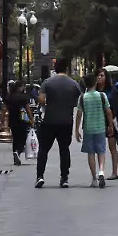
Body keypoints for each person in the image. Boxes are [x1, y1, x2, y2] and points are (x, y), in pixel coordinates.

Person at [35, 58, 82, 189]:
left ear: (55, 67)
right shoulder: (74, 84)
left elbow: (41, 100)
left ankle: (40, 176)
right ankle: (64, 178)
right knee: (64, 149)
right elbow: (79, 101)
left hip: (49, 120)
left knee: (44, 149)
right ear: (67, 68)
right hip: (66, 121)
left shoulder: (47, 82)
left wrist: (48, 105)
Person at [75, 73, 113, 188]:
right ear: (95, 82)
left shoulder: (82, 97)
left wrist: (76, 130)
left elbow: (79, 115)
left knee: (91, 153)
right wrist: (110, 125)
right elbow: (108, 111)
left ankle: (94, 178)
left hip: (88, 129)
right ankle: (101, 171)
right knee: (101, 151)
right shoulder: (102, 96)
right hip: (100, 128)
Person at [95, 69, 118, 180]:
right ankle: (101, 172)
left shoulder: (112, 91)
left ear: (106, 77)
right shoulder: (94, 90)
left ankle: (114, 172)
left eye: (102, 75)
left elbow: (117, 108)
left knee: (112, 147)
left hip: (111, 120)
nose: (99, 77)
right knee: (99, 148)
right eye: (98, 75)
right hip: (98, 120)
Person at [6, 81, 32, 166]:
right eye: (22, 87)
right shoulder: (23, 97)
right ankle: (18, 151)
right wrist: (31, 119)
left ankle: (15, 156)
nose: (23, 88)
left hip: (12, 120)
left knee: (15, 138)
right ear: (19, 88)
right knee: (23, 138)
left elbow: (4, 109)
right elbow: (28, 109)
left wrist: (2, 121)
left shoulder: (9, 97)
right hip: (22, 120)